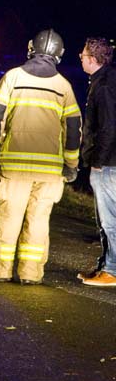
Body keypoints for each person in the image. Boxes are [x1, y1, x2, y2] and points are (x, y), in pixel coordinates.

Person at [0, 29, 81, 284]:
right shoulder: (63, 86)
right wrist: (71, 164)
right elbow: (74, 130)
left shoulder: (12, 78)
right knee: (39, 221)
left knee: (9, 219)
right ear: (60, 54)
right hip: (50, 171)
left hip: (14, 166)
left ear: (30, 48)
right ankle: (31, 275)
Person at [78, 37, 116, 286]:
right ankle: (106, 265)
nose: (80, 58)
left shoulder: (104, 85)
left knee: (109, 219)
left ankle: (111, 270)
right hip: (109, 161)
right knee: (107, 220)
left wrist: (98, 161)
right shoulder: (105, 80)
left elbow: (108, 126)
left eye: (82, 55)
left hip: (108, 164)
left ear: (92, 59)